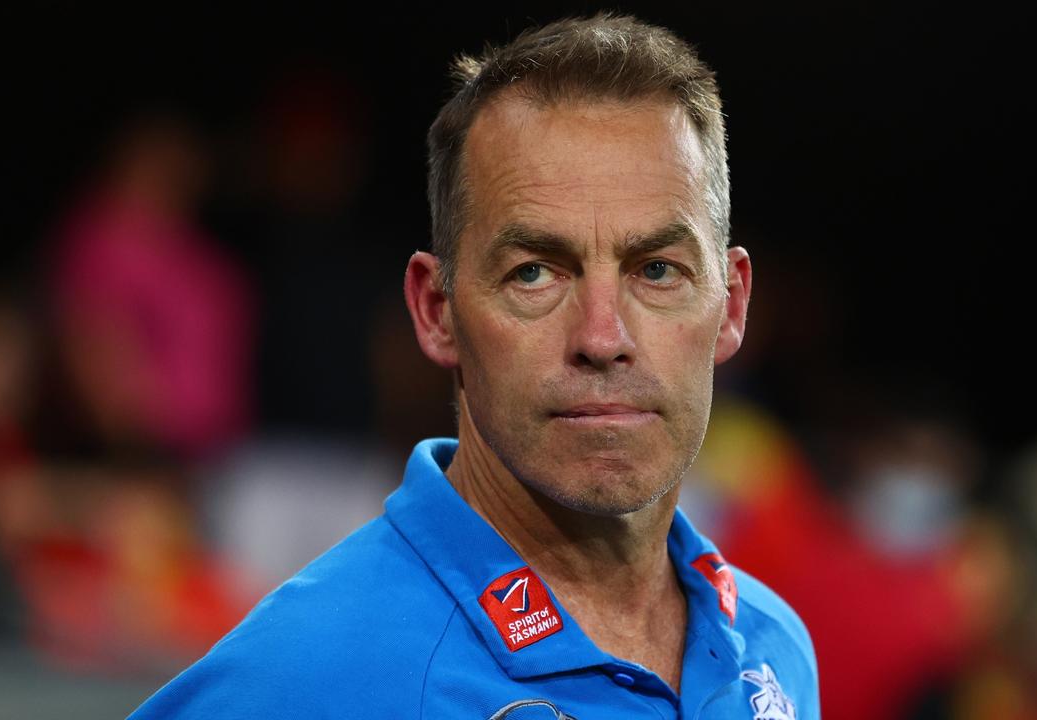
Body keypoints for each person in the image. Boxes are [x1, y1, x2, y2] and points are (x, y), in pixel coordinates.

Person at [130, 13, 819, 719]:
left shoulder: (775, 651)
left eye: (658, 269)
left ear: (732, 306)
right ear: (436, 311)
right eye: (534, 274)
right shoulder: (301, 680)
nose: (603, 336)